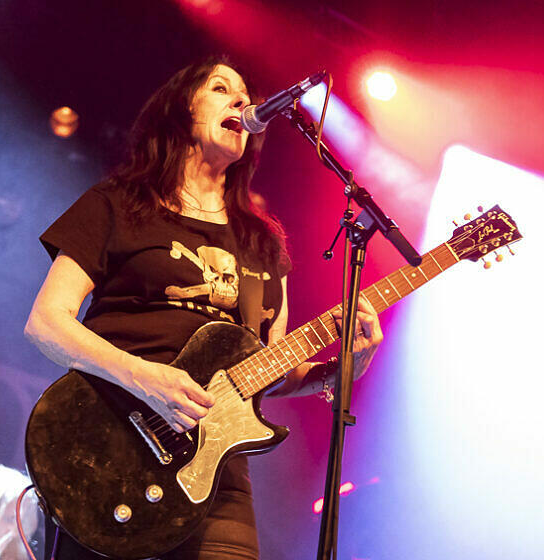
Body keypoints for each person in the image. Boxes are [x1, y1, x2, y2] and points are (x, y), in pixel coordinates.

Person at [24, 56, 382, 559]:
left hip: (218, 483)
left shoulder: (262, 244)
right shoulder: (118, 203)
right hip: (108, 449)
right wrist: (143, 376)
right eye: (220, 88)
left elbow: (269, 369)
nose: (241, 100)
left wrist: (341, 370)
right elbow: (46, 322)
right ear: (181, 111)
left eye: (245, 94)